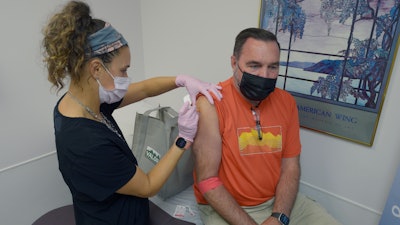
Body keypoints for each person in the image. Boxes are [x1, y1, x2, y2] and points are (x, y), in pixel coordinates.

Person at [41, 1, 222, 225]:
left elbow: (145, 89)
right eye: (123, 69)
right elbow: (147, 185)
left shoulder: (80, 101)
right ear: (96, 69)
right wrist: (182, 139)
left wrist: (181, 80)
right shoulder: (86, 144)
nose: (127, 77)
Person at [192, 28, 341, 225]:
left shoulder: (286, 102)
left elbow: (290, 166)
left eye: (273, 67)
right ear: (234, 63)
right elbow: (208, 181)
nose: (264, 75)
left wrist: (279, 216)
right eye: (254, 65)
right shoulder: (211, 103)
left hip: (277, 203)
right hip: (227, 207)